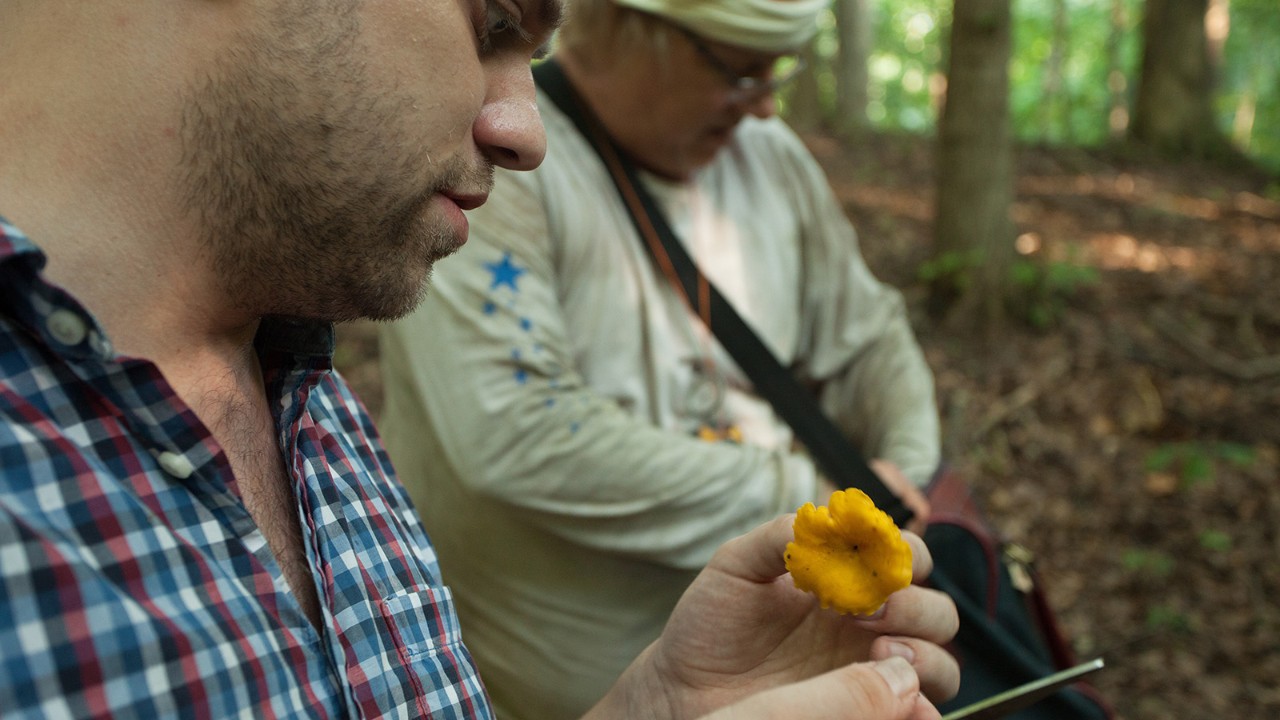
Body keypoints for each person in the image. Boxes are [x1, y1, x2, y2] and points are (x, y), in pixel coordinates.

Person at [0, 1, 959, 719]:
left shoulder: (307, 396)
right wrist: (812, 482)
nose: (522, 133)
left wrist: (660, 709)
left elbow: (873, 334)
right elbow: (517, 435)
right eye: (492, 21)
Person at [377, 0, 944, 717]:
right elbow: (516, 432)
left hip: (781, 676)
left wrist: (902, 481)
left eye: (779, 73)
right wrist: (811, 500)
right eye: (741, 73)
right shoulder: (491, 167)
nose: (767, 107)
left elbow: (872, 339)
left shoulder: (773, 159)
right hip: (563, 693)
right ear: (620, 30)